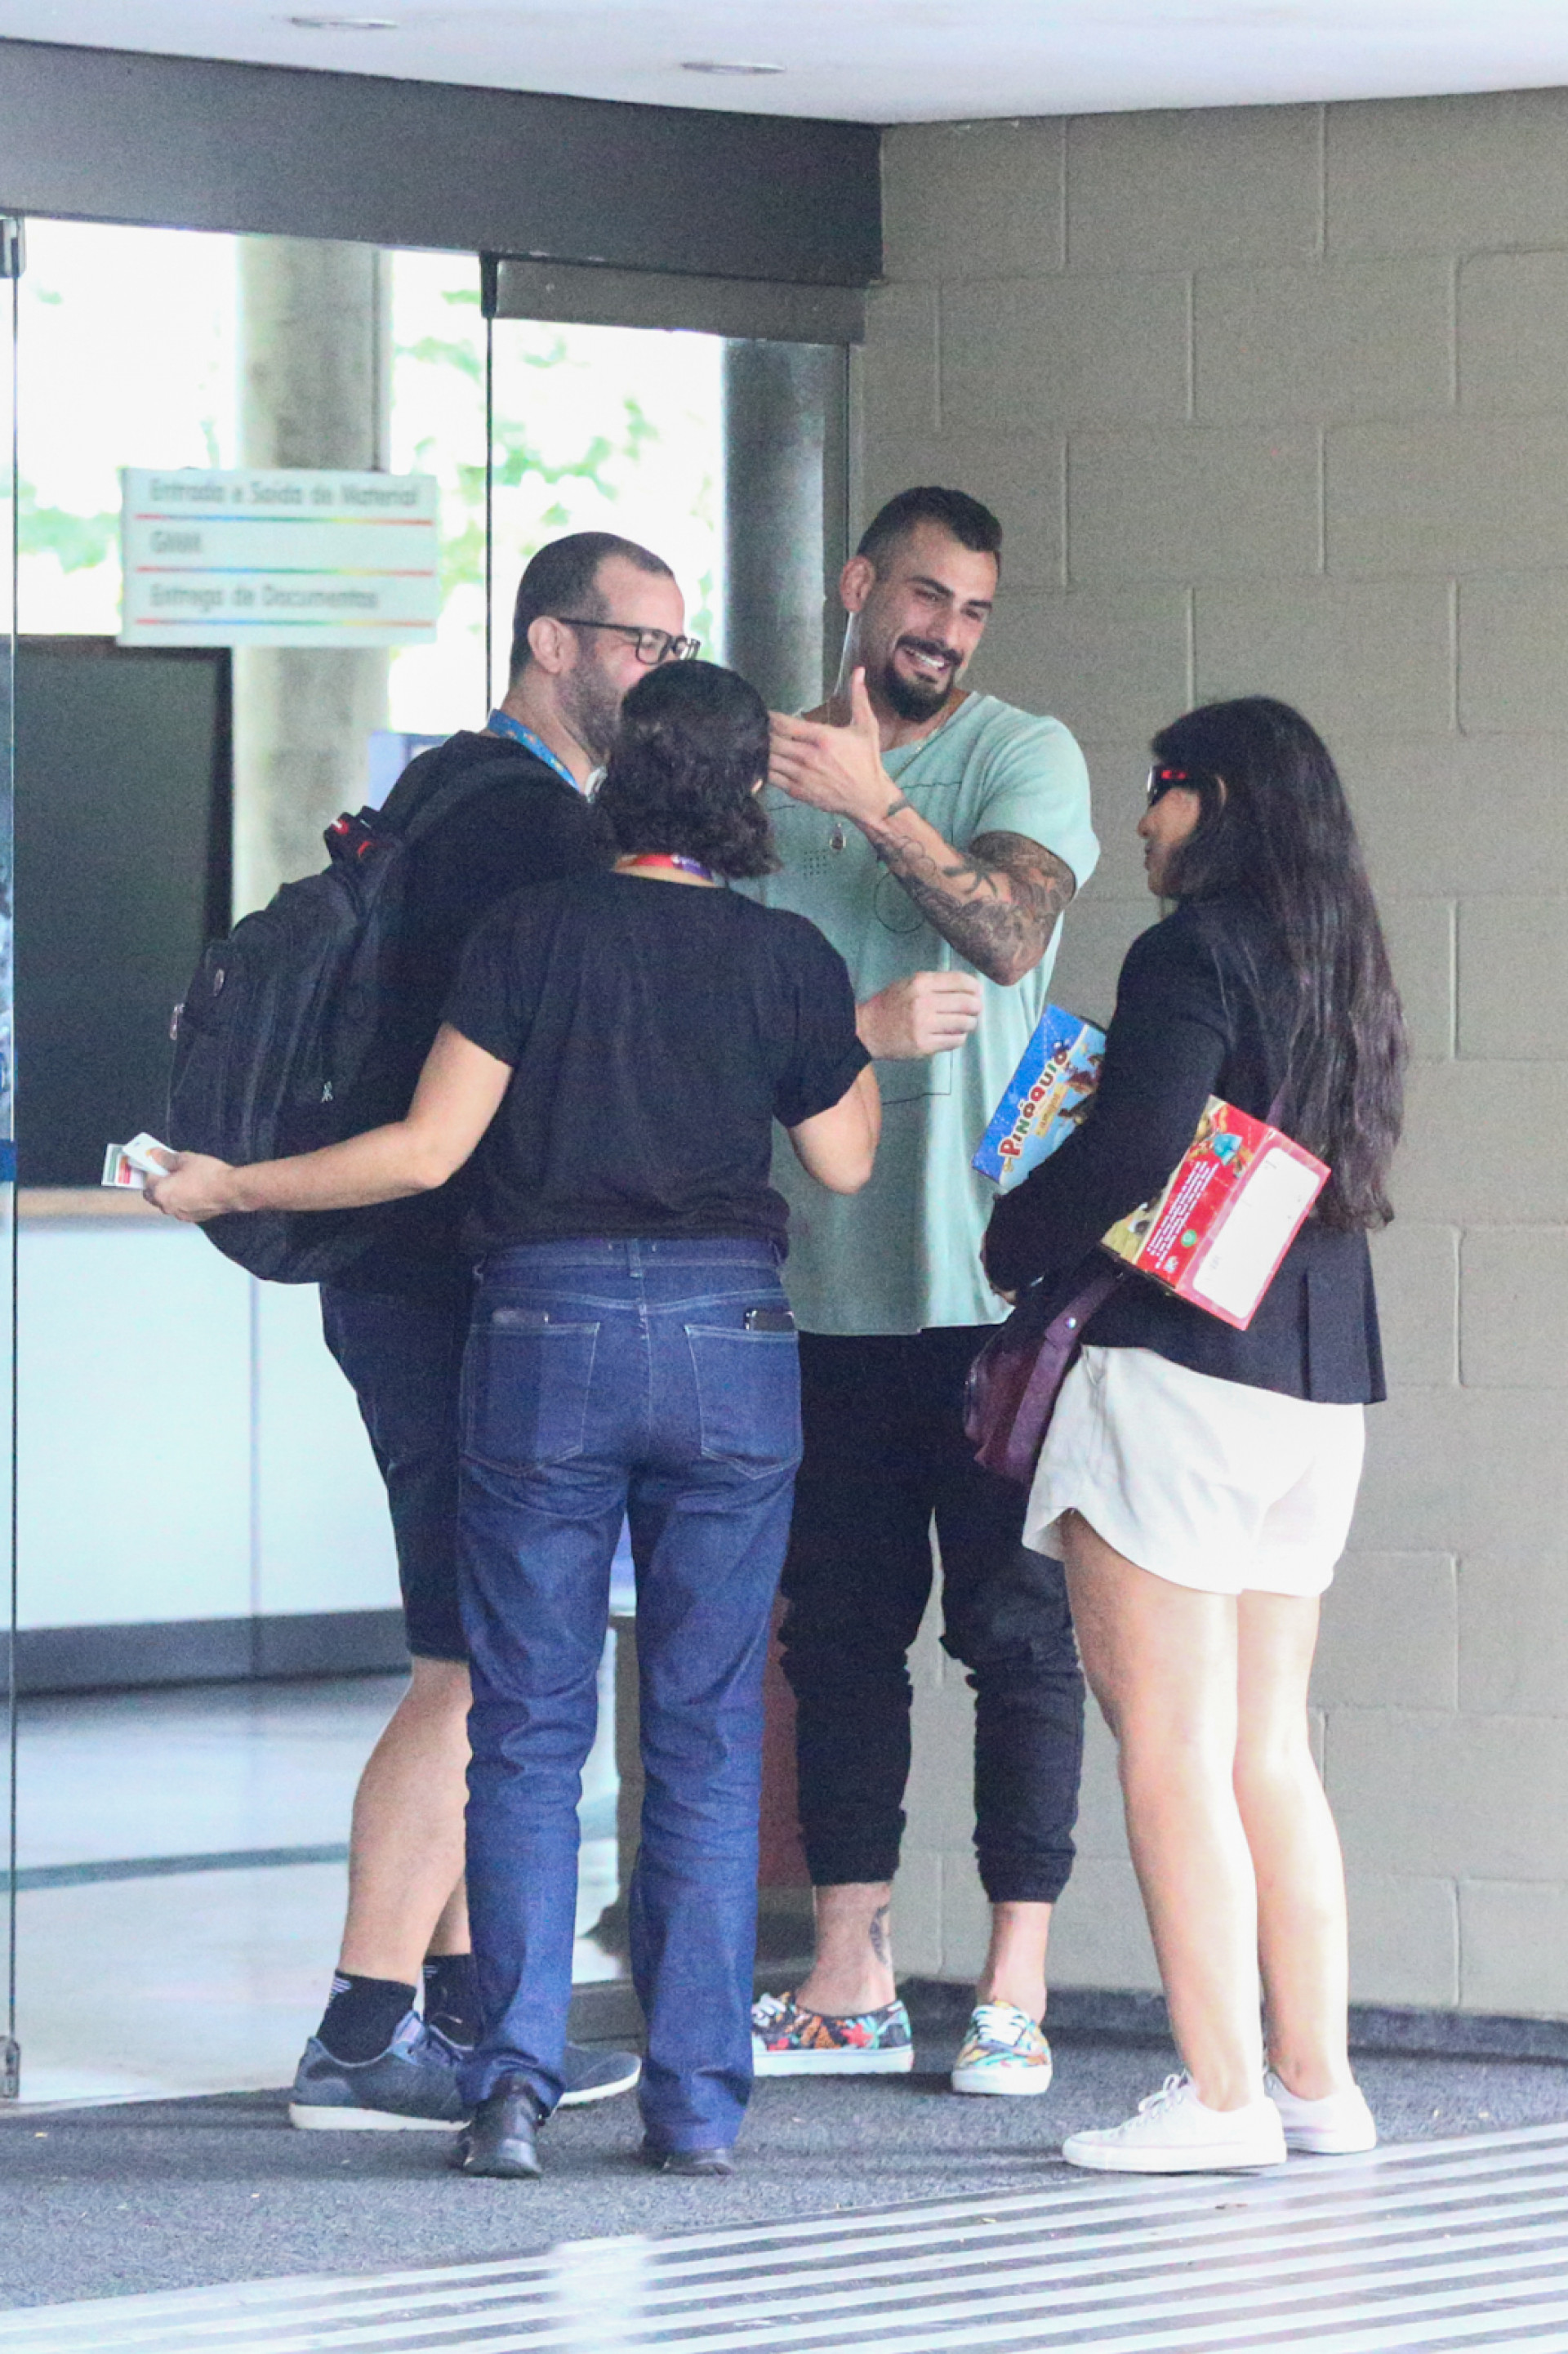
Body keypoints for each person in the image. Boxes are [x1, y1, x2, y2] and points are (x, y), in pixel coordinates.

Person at [149, 659, 880, 2181]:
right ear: (747, 798)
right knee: (701, 1725)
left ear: (620, 780)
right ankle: (693, 2103)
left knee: (529, 1730)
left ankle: (514, 2085)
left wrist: (235, 1182)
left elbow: (421, 1152)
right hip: (728, 1345)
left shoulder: (527, 932)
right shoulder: (785, 957)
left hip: (543, 1337)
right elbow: (849, 1160)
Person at [288, 530, 696, 2131]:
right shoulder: (527, 828)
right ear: (549, 639)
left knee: (474, 1645)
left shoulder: (450, 791)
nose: (657, 672)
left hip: (401, 1273)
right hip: (442, 1275)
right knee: (475, 1662)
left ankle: (464, 2017)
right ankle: (362, 2030)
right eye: (636, 642)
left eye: (675, 645)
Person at [984, 697, 1405, 2173]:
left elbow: (1134, 1149)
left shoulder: (1190, 951)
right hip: (1319, 1384)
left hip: (1176, 1372)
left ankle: (1220, 2097)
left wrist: (1017, 1238)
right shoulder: (1341, 958)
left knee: (1166, 1747)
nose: (1145, 826)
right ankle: (1317, 2084)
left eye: (1158, 794)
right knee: (1268, 1750)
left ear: (1212, 797)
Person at [741, 487, 1098, 2096]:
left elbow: (1015, 933)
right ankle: (849, 1972)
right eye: (926, 598)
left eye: (972, 610)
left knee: (1017, 1640)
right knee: (839, 1642)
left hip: (998, 1289)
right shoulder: (748, 787)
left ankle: (1015, 1985)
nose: (946, 632)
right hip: (816, 1289)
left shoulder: (1022, 755)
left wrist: (884, 806)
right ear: (855, 586)